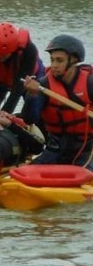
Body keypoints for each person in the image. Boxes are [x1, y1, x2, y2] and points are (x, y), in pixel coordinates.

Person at [23, 34, 93, 168]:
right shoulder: (44, 85)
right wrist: (31, 96)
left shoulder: (90, 83)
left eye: (59, 60)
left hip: (86, 152)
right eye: (52, 60)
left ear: (73, 61)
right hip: (55, 150)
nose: (54, 65)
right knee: (26, 174)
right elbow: (29, 119)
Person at [0, 21, 44, 117]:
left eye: (3, 54)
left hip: (28, 80)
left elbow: (19, 87)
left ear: (13, 49)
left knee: (35, 114)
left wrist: (5, 112)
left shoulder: (29, 51)